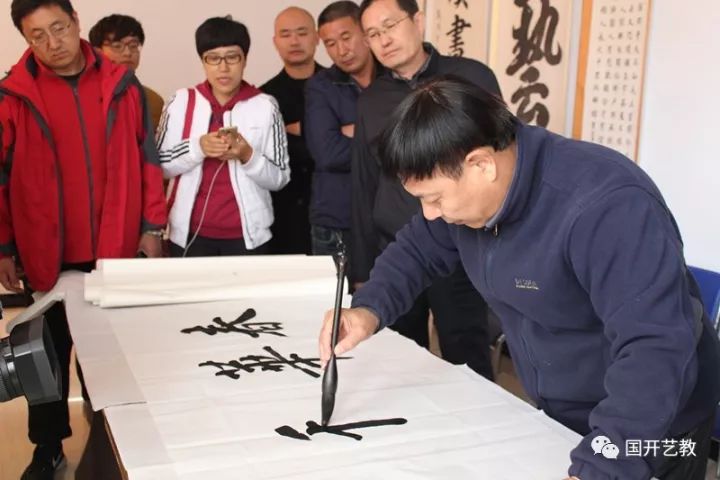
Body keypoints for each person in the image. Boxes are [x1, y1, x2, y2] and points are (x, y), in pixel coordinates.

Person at [319, 77, 720, 480]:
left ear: (481, 164)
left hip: (652, 424)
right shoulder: (472, 195)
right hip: (564, 411)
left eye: (435, 198)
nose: (430, 213)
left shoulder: (607, 206)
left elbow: (655, 347)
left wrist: (604, 465)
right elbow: (417, 250)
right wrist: (368, 309)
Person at [0, 0, 167, 478]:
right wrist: (4, 247)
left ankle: (110, 442)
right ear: (26, 40)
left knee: (110, 359)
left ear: (76, 23)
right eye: (37, 35)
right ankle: (47, 447)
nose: (52, 43)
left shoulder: (121, 84)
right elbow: (1, 178)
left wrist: (151, 227)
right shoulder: (13, 95)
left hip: (113, 250)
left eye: (59, 28)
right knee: (44, 357)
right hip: (46, 254)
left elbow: (148, 160)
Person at [351, 0, 500, 379]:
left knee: (467, 354)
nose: (384, 40)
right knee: (401, 358)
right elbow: (364, 183)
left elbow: (500, 156)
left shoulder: (470, 77)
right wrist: (363, 267)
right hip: (397, 248)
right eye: (373, 34)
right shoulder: (371, 99)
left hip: (460, 244)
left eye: (390, 26)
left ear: (417, 21)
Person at [157, 16, 289, 257]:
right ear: (203, 61)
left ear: (245, 59)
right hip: (188, 236)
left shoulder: (265, 106)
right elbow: (159, 166)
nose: (223, 67)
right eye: (213, 58)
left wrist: (248, 155)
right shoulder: (181, 102)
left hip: (248, 238)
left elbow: (280, 178)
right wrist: (198, 147)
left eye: (232, 57)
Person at [304, 1, 379, 257]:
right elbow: (327, 153)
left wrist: (354, 131)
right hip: (336, 216)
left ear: (365, 32)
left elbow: (411, 142)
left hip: (388, 214)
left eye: (346, 37)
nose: (341, 50)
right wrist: (384, 136)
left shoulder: (393, 76)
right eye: (330, 43)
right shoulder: (320, 86)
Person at [261, 6, 323, 255]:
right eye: (285, 34)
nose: (294, 41)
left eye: (302, 33)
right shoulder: (263, 97)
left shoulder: (340, 86)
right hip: (282, 215)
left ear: (316, 37)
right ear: (275, 42)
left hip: (331, 208)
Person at [88, 13, 164, 132]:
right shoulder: (84, 95)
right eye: (117, 46)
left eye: (133, 46)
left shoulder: (153, 101)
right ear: (97, 51)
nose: (127, 53)